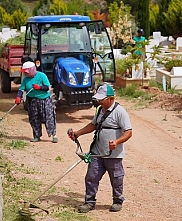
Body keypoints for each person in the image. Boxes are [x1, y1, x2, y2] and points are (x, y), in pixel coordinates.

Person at [68, 84, 132, 213]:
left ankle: (117, 201)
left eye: (102, 99)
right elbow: (93, 125)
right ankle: (89, 202)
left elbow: (128, 132)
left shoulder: (120, 112)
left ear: (110, 98)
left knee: (116, 178)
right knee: (91, 177)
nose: (99, 101)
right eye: (98, 99)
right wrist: (78, 133)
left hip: (113, 154)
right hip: (97, 152)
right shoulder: (99, 110)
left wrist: (117, 141)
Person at [15, 61, 58, 143]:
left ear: (32, 70)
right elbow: (21, 89)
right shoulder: (25, 79)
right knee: (34, 118)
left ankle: (54, 134)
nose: (25, 74)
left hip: (45, 100)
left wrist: (40, 87)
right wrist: (18, 97)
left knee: (49, 117)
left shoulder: (42, 76)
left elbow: (47, 87)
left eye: (26, 72)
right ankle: (37, 135)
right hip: (33, 101)